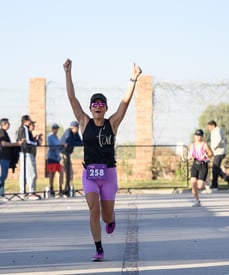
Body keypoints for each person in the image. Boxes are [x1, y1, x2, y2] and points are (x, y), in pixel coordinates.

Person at [63, 58, 142, 261]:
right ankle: (99, 249)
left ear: (106, 108)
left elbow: (125, 103)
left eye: (101, 104)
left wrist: (133, 79)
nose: (98, 107)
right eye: (94, 104)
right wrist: (68, 72)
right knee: (93, 208)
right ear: (90, 108)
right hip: (89, 174)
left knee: (106, 216)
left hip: (108, 174)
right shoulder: (84, 122)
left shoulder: (112, 123)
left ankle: (111, 219)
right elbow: (72, 98)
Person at [0, 118, 24, 201]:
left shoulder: (4, 132)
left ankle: (1, 194)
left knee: (3, 175)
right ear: (4, 124)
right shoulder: (1, 132)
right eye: (8, 123)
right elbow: (4, 143)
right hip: (3, 156)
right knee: (3, 175)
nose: (9, 125)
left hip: (6, 157)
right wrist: (16, 144)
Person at [16, 115, 40, 200]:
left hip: (22, 153)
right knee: (31, 173)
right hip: (27, 152)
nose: (30, 121)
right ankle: (31, 192)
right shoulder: (25, 128)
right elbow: (27, 140)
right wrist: (36, 143)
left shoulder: (20, 128)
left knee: (23, 173)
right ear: (26, 120)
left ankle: (22, 192)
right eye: (29, 120)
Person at [189, 129, 213, 207]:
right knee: (193, 183)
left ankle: (206, 180)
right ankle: (197, 201)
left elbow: (211, 153)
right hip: (195, 165)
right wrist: (189, 157)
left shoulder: (204, 145)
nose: (197, 137)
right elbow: (190, 155)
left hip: (203, 165)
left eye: (199, 135)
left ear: (202, 137)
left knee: (200, 186)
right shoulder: (192, 145)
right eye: (196, 135)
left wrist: (206, 155)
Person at [207, 120, 229, 191]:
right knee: (215, 169)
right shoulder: (216, 130)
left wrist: (214, 147)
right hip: (217, 152)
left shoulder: (216, 130)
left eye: (209, 127)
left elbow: (219, 139)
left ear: (213, 125)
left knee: (215, 168)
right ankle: (214, 185)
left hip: (219, 152)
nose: (208, 129)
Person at [60, 120, 83, 197]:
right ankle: (64, 191)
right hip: (63, 154)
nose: (77, 129)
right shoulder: (68, 132)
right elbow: (70, 142)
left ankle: (68, 189)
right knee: (66, 172)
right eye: (76, 128)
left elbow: (80, 142)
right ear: (73, 127)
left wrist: (76, 142)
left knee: (70, 173)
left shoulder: (75, 134)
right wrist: (75, 142)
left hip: (68, 154)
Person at [47, 123, 64, 196]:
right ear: (52, 129)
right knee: (52, 173)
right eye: (54, 128)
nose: (56, 130)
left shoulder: (57, 137)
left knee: (61, 172)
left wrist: (62, 146)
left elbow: (58, 147)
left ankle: (60, 188)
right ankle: (51, 188)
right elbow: (52, 147)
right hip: (52, 157)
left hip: (57, 158)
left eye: (57, 128)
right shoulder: (50, 137)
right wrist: (59, 146)